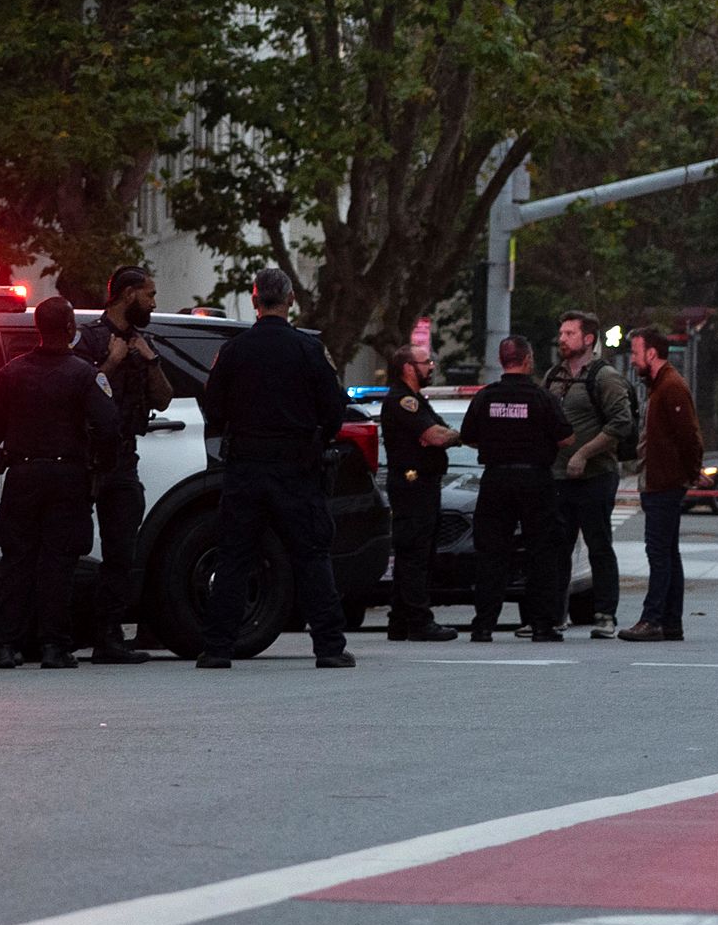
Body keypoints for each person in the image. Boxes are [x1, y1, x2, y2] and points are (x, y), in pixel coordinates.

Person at [195, 267, 354, 668]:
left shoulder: (234, 351)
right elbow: (333, 411)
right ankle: (329, 648)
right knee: (312, 556)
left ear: (254, 301)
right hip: (295, 467)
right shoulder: (308, 350)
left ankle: (217, 649)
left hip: (246, 466)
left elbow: (212, 408)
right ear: (290, 300)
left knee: (234, 557)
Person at [0, 293, 121, 669]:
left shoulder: (11, 373)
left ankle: (4, 646)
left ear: (37, 328)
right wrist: (100, 469)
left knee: (17, 561)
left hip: (22, 476)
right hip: (68, 478)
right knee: (59, 564)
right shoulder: (86, 374)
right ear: (70, 329)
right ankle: (55, 647)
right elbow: (108, 427)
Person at [69, 266, 165, 664]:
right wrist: (110, 362)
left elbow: (162, 400)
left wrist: (151, 360)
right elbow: (74, 394)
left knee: (121, 550)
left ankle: (109, 636)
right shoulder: (89, 339)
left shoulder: (144, 342)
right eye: (149, 294)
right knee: (69, 547)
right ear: (128, 294)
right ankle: (56, 634)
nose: (154, 303)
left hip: (124, 458)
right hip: (83, 459)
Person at [460, 337, 572, 642]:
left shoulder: (486, 397)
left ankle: (483, 625)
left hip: (496, 480)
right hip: (535, 480)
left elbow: (468, 436)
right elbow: (565, 439)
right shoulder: (541, 398)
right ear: (528, 359)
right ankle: (542, 625)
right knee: (542, 553)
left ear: (501, 360)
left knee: (491, 553)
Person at [542, 312, 638, 634]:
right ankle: (556, 615)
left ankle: (605, 615)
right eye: (561, 332)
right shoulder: (553, 376)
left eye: (569, 333)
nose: (562, 338)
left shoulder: (605, 376)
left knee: (599, 544)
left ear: (588, 339)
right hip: (558, 476)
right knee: (559, 547)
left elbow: (621, 423)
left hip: (596, 475)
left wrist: (584, 453)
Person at [374, 347, 461, 641]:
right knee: (415, 554)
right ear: (409, 368)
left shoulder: (414, 400)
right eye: (427, 363)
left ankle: (400, 619)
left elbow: (436, 433)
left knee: (413, 552)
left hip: (420, 485)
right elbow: (435, 435)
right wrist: (460, 435)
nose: (432, 367)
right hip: (414, 486)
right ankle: (419, 621)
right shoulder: (404, 401)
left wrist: (442, 436)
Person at [625, 328, 701, 642]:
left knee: (659, 552)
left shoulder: (670, 387)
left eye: (635, 352)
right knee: (668, 553)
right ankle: (670, 621)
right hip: (661, 481)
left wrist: (691, 472)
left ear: (651, 354)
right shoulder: (661, 386)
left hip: (663, 483)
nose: (632, 359)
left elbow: (689, 437)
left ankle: (652, 618)